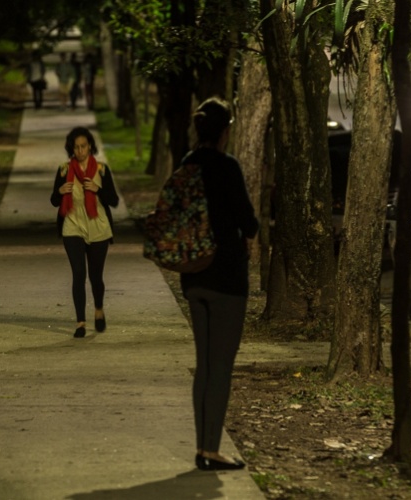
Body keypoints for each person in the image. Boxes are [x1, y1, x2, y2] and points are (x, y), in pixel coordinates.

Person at [181, 97, 259, 471]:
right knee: (221, 367)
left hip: (194, 275)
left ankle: (202, 447)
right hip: (227, 277)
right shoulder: (227, 167)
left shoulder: (187, 164)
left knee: (204, 365)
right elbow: (249, 220)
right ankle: (210, 451)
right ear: (226, 130)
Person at [50, 127, 120, 338]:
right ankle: (80, 322)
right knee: (78, 273)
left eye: (83, 146)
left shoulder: (101, 170)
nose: (80, 151)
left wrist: (98, 190)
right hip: (73, 225)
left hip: (98, 226)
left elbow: (114, 201)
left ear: (90, 146)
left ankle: (98, 309)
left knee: (95, 276)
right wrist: (60, 192)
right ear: (71, 148)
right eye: (76, 147)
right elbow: (54, 200)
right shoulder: (64, 170)